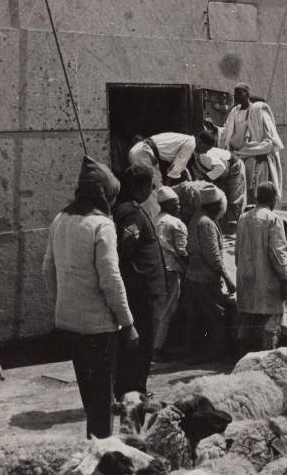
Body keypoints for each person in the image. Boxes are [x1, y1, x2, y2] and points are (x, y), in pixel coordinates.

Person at [42, 156, 136, 439]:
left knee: (90, 396)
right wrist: (128, 322)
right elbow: (110, 278)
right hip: (99, 328)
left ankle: (94, 448)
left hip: (69, 324)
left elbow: (47, 269)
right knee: (103, 403)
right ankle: (102, 456)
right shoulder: (102, 225)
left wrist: (64, 302)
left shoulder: (61, 219)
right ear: (104, 195)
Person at [112, 165, 167, 397]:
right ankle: (135, 391)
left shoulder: (128, 208)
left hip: (144, 289)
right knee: (142, 344)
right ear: (141, 186)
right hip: (143, 291)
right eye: (151, 186)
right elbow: (125, 249)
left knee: (141, 343)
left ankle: (132, 389)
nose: (151, 190)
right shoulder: (131, 212)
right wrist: (138, 278)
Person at [235, 181, 287, 354]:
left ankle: (240, 354)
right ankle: (268, 355)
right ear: (273, 199)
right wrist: (285, 280)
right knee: (276, 313)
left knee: (248, 315)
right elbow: (277, 253)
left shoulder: (243, 218)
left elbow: (237, 250)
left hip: (245, 276)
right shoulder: (273, 219)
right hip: (266, 278)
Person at [185, 185, 236, 360]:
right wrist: (228, 279)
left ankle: (195, 354)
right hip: (205, 278)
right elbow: (213, 255)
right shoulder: (206, 222)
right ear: (215, 205)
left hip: (194, 275)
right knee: (217, 315)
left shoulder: (197, 218)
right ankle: (220, 354)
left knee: (197, 317)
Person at [153, 186, 189, 357]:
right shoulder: (176, 223)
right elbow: (182, 251)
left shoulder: (153, 220)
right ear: (167, 204)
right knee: (169, 308)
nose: (179, 206)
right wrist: (188, 269)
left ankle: (153, 344)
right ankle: (158, 348)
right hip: (172, 269)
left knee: (158, 308)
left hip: (155, 270)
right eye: (176, 203)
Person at [192, 130, 247, 230]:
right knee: (219, 196)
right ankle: (223, 223)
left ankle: (240, 226)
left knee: (235, 197)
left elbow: (220, 167)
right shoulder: (194, 156)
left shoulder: (204, 155)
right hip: (220, 173)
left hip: (233, 166)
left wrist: (208, 180)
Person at [236, 102, 285, 201]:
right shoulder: (248, 123)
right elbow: (239, 142)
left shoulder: (265, 118)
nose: (254, 119)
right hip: (252, 166)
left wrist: (256, 151)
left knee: (266, 193)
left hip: (267, 166)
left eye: (255, 116)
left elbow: (273, 144)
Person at [128, 132, 200, 188]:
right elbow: (176, 169)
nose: (206, 151)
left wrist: (190, 182)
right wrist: (166, 189)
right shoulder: (191, 144)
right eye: (208, 148)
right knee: (156, 190)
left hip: (139, 150)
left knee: (144, 187)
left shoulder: (184, 139)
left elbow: (181, 167)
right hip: (144, 153)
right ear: (201, 142)